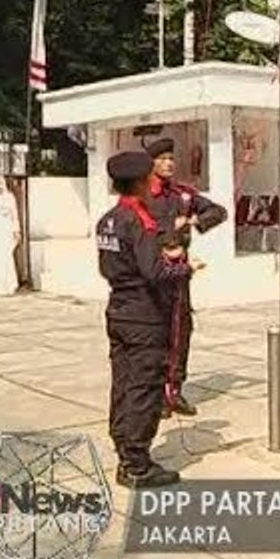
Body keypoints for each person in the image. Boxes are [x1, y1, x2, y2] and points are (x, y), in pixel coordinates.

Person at [97, 151, 205, 489]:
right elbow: (155, 273)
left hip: (119, 309)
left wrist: (158, 257)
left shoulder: (108, 220)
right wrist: (185, 267)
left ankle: (124, 448)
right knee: (145, 387)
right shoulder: (138, 220)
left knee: (123, 383)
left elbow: (112, 266)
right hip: (145, 316)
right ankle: (136, 464)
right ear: (142, 181)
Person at [145, 137, 228, 418]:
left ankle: (174, 390)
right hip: (152, 271)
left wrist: (194, 220)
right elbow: (136, 231)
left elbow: (219, 212)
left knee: (181, 330)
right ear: (151, 163)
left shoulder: (182, 194)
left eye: (171, 158)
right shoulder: (141, 196)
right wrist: (170, 227)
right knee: (155, 332)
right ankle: (156, 394)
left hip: (180, 273)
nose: (168, 163)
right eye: (162, 159)